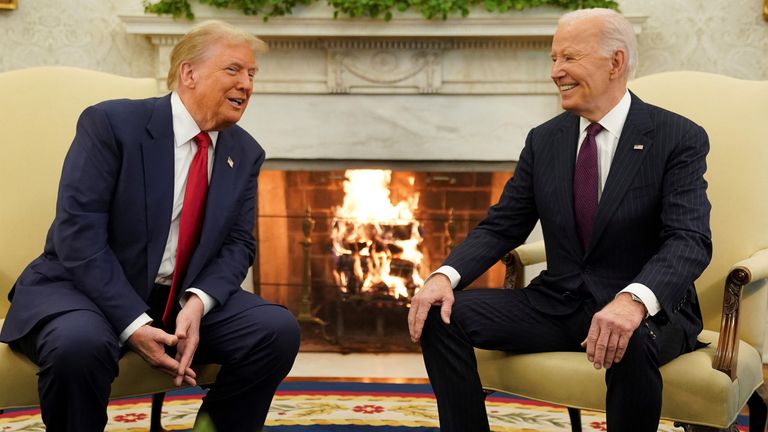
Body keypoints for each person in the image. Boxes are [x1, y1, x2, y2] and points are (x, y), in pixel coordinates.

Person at [407, 8, 712, 432]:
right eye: (553, 59)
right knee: (443, 317)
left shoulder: (676, 137)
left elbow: (689, 238)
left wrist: (633, 300)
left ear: (616, 62)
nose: (556, 72)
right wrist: (444, 276)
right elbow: (504, 224)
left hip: (645, 310)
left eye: (569, 58)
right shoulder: (545, 139)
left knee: (631, 338)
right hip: (558, 303)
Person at [0, 20, 300, 431]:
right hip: (82, 290)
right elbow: (78, 234)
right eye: (233, 70)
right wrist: (134, 324)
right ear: (188, 73)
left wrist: (198, 301)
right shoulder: (111, 124)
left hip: (174, 299)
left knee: (274, 330)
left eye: (252, 74)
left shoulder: (244, 152)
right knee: (78, 345)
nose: (246, 84)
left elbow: (238, 244)